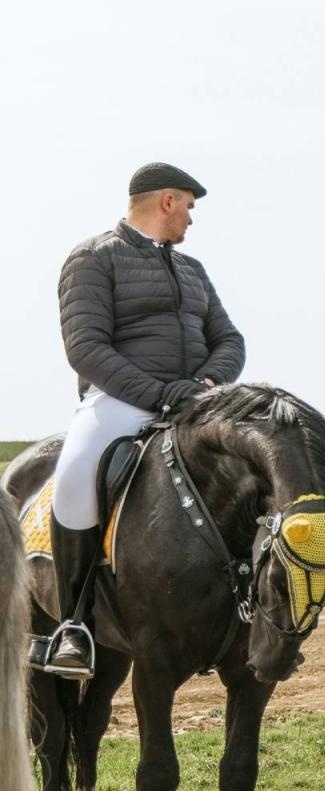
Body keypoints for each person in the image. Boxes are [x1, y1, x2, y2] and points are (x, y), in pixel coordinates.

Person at [44, 163, 245, 677]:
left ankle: (254, 608)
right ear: (168, 202)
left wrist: (203, 386)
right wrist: (160, 394)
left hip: (197, 401)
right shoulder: (91, 258)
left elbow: (230, 340)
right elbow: (86, 348)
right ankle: (73, 624)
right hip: (121, 401)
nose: (192, 222)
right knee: (74, 478)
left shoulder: (193, 269)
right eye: (190, 209)